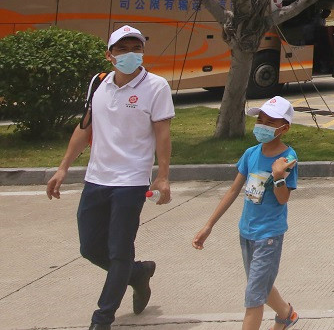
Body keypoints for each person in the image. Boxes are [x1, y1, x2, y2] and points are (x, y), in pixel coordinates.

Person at [46, 25, 173, 330]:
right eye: (123, 48)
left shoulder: (156, 86)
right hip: (96, 177)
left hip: (131, 181)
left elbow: (162, 133)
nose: (131, 54)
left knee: (119, 250)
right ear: (110, 55)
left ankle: (102, 319)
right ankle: (138, 274)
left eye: (136, 47)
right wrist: (64, 167)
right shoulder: (98, 83)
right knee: (89, 247)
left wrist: (164, 176)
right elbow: (84, 126)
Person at [192, 96, 300, 330]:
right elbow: (233, 190)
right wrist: (209, 225)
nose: (262, 125)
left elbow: (283, 199)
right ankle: (286, 314)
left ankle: (283, 316)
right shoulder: (251, 153)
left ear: (284, 127)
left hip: (268, 235)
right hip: (247, 231)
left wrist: (279, 176)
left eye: (270, 122)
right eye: (260, 120)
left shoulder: (288, 159)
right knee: (259, 284)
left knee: (254, 297)